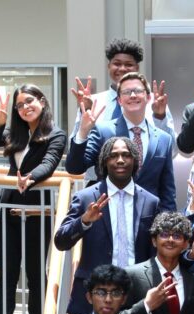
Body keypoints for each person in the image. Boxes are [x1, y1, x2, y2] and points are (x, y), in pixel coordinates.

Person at [0, 84, 67, 314]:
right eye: (19, 105)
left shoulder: (55, 134)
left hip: (36, 211)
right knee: (7, 274)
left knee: (35, 274)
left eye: (29, 101)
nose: (25, 108)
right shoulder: (15, 133)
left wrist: (30, 178)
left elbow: (50, 162)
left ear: (42, 101)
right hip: (8, 209)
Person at [56, 138, 160, 314]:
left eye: (126, 155)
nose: (120, 160)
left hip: (136, 293)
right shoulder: (85, 198)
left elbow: (155, 252)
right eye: (113, 155)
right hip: (95, 294)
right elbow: (61, 241)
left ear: (134, 160)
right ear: (105, 161)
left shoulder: (150, 202)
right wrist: (84, 221)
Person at [66, 72, 177, 212]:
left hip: (149, 220)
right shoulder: (103, 131)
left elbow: (167, 189)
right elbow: (75, 167)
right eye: (126, 92)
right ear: (119, 100)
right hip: (109, 214)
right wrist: (82, 133)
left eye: (137, 91)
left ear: (148, 97)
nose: (132, 95)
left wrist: (169, 227)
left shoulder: (163, 138)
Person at [70, 38, 176, 173]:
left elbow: (171, 151)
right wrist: (84, 112)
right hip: (101, 182)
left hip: (145, 184)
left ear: (137, 68)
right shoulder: (93, 102)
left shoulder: (154, 102)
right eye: (117, 64)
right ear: (109, 66)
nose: (122, 69)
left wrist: (160, 117)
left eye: (128, 64)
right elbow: (77, 150)